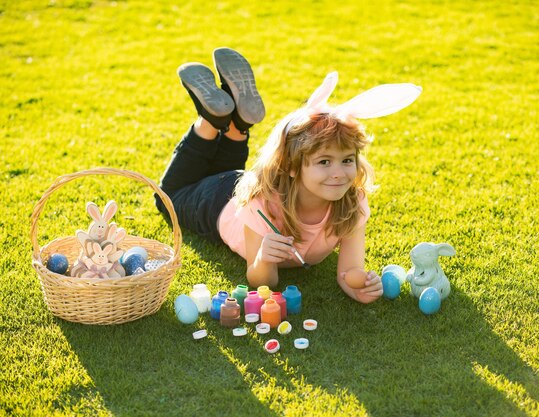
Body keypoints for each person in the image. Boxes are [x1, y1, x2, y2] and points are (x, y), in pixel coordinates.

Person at [156, 47, 421, 304]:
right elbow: (261, 281)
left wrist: (361, 284)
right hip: (214, 203)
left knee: (221, 168)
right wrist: (264, 258)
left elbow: (349, 270)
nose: (339, 173)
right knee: (168, 197)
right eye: (324, 161)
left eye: (347, 160)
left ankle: (236, 122)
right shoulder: (263, 203)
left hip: (239, 180)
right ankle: (211, 120)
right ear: (292, 165)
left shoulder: (353, 200)